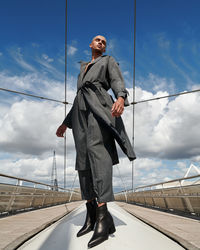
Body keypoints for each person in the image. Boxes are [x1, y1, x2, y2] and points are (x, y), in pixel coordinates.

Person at [56, 35, 136, 248]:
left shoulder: (107, 61)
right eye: (97, 40)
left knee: (98, 154)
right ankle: (91, 213)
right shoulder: (82, 68)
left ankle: (103, 216)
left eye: (104, 41)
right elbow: (77, 98)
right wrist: (65, 123)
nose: (101, 43)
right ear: (90, 45)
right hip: (79, 115)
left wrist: (120, 97)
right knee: (82, 160)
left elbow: (117, 80)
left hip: (98, 110)